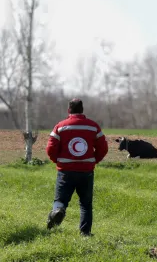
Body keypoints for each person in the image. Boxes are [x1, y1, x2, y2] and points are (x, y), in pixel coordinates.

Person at [45, 98, 108, 236]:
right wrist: (93, 160)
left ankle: (58, 212)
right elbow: (103, 148)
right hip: (86, 171)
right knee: (85, 204)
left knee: (60, 200)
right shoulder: (93, 126)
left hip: (65, 171)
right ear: (82, 110)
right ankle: (85, 233)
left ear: (69, 110)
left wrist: (57, 160)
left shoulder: (60, 126)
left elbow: (50, 148)